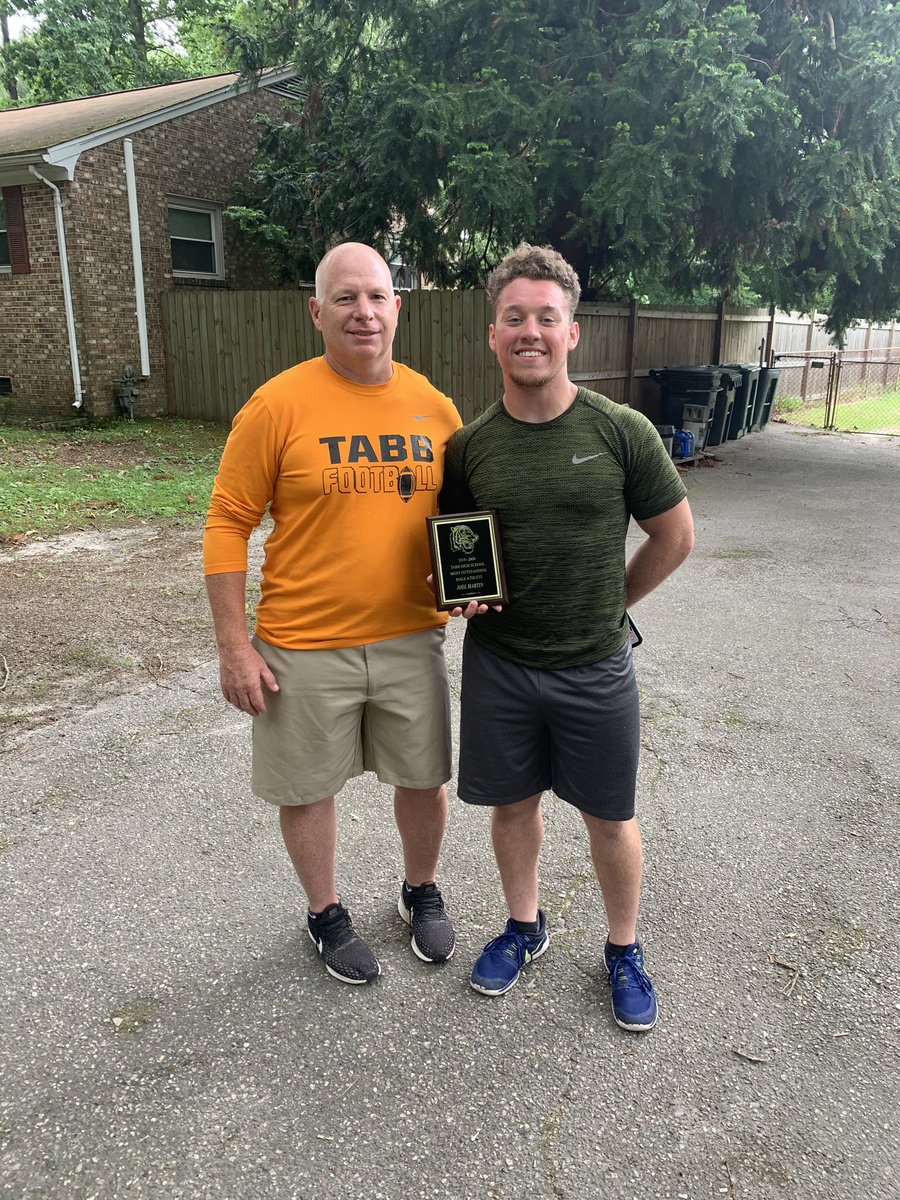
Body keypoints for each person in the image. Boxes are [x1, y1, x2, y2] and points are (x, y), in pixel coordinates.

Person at [440, 243, 694, 1031]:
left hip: (596, 668)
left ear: (571, 333)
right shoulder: (469, 446)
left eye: (546, 317)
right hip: (502, 667)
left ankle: (623, 950)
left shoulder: (621, 431)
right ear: (493, 334)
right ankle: (525, 927)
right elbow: (456, 551)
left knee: (611, 819)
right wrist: (460, 596)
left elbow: (675, 536)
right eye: (513, 317)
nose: (529, 331)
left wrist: (608, 601)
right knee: (512, 808)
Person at [203, 242, 462, 985]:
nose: (363, 312)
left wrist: (477, 578)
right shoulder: (277, 404)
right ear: (317, 312)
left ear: (397, 308)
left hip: (412, 636)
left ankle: (420, 890)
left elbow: (463, 517)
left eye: (376, 296)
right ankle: (325, 912)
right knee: (308, 787)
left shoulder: (431, 405)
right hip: (303, 644)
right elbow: (227, 522)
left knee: (423, 778)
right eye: (344, 298)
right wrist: (233, 645)